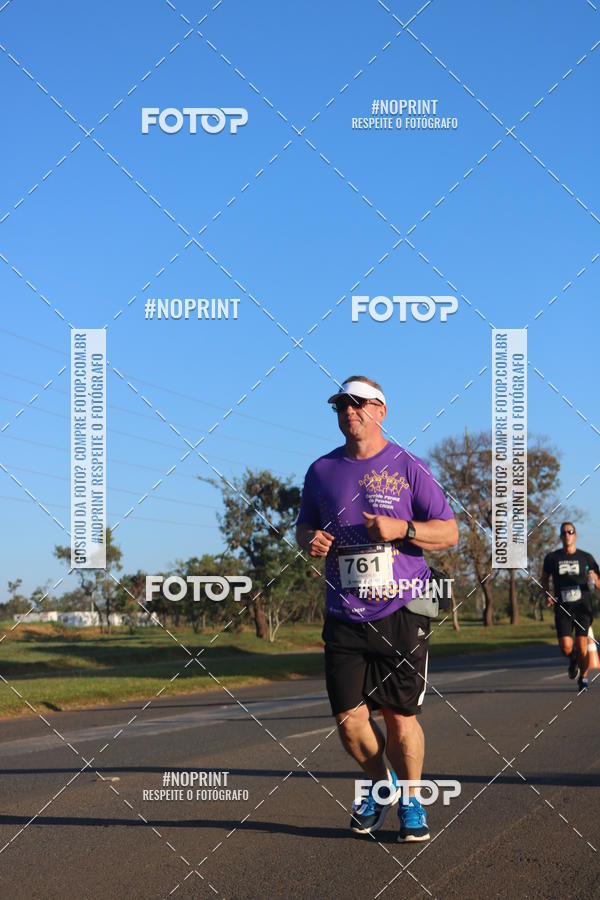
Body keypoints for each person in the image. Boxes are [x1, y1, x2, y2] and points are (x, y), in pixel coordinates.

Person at [296, 375, 458, 842]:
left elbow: (448, 533)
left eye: (359, 404)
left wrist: (401, 528)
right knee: (350, 724)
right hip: (344, 611)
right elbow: (303, 527)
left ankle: (411, 800)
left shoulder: (409, 467)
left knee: (399, 717)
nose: (349, 412)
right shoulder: (321, 471)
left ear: (380, 411)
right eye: (341, 406)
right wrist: (312, 540)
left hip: (402, 609)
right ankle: (378, 785)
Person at [541, 522, 599, 692]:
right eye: (564, 532)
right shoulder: (552, 558)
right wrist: (547, 593)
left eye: (570, 531)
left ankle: (584, 677)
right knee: (566, 647)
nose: (567, 535)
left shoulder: (586, 558)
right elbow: (544, 578)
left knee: (582, 647)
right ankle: (573, 660)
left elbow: (599, 582)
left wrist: (595, 580)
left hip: (582, 608)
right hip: (563, 608)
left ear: (575, 535)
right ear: (560, 536)